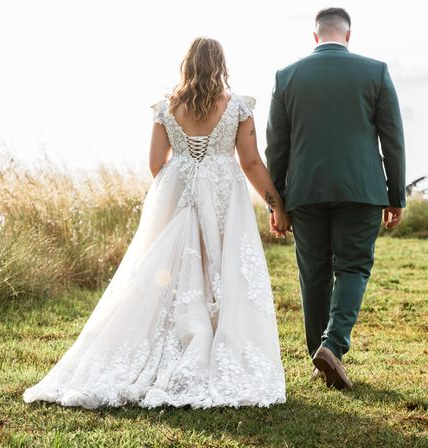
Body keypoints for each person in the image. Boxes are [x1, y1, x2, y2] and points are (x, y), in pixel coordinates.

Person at [23, 37, 287, 409]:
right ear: (220, 65)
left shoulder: (167, 108)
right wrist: (276, 206)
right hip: (225, 195)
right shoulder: (237, 107)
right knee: (224, 270)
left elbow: (154, 163)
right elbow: (251, 164)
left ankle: (175, 343)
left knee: (174, 273)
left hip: (176, 191)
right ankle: (215, 345)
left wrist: (179, 186)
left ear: (187, 65)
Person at [265, 7, 406, 389]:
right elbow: (392, 138)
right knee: (354, 267)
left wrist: (275, 203)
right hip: (361, 189)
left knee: (313, 274)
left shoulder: (287, 76)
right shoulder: (375, 71)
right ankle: (332, 346)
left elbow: (276, 147)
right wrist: (396, 196)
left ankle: (321, 358)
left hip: (305, 192)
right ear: (348, 35)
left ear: (315, 37)